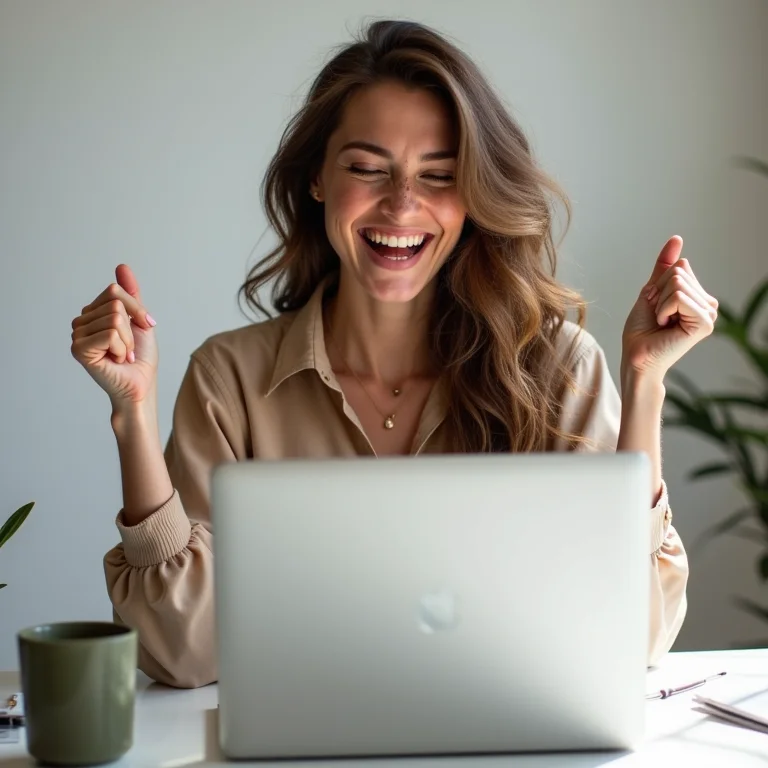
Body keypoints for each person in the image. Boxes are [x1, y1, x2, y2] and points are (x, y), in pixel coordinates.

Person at [70, 20, 715, 689]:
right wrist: (132, 416)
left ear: (474, 197)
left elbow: (633, 636)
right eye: (368, 169)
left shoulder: (558, 368)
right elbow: (184, 652)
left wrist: (646, 384)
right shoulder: (228, 380)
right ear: (318, 177)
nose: (403, 205)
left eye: (439, 176)